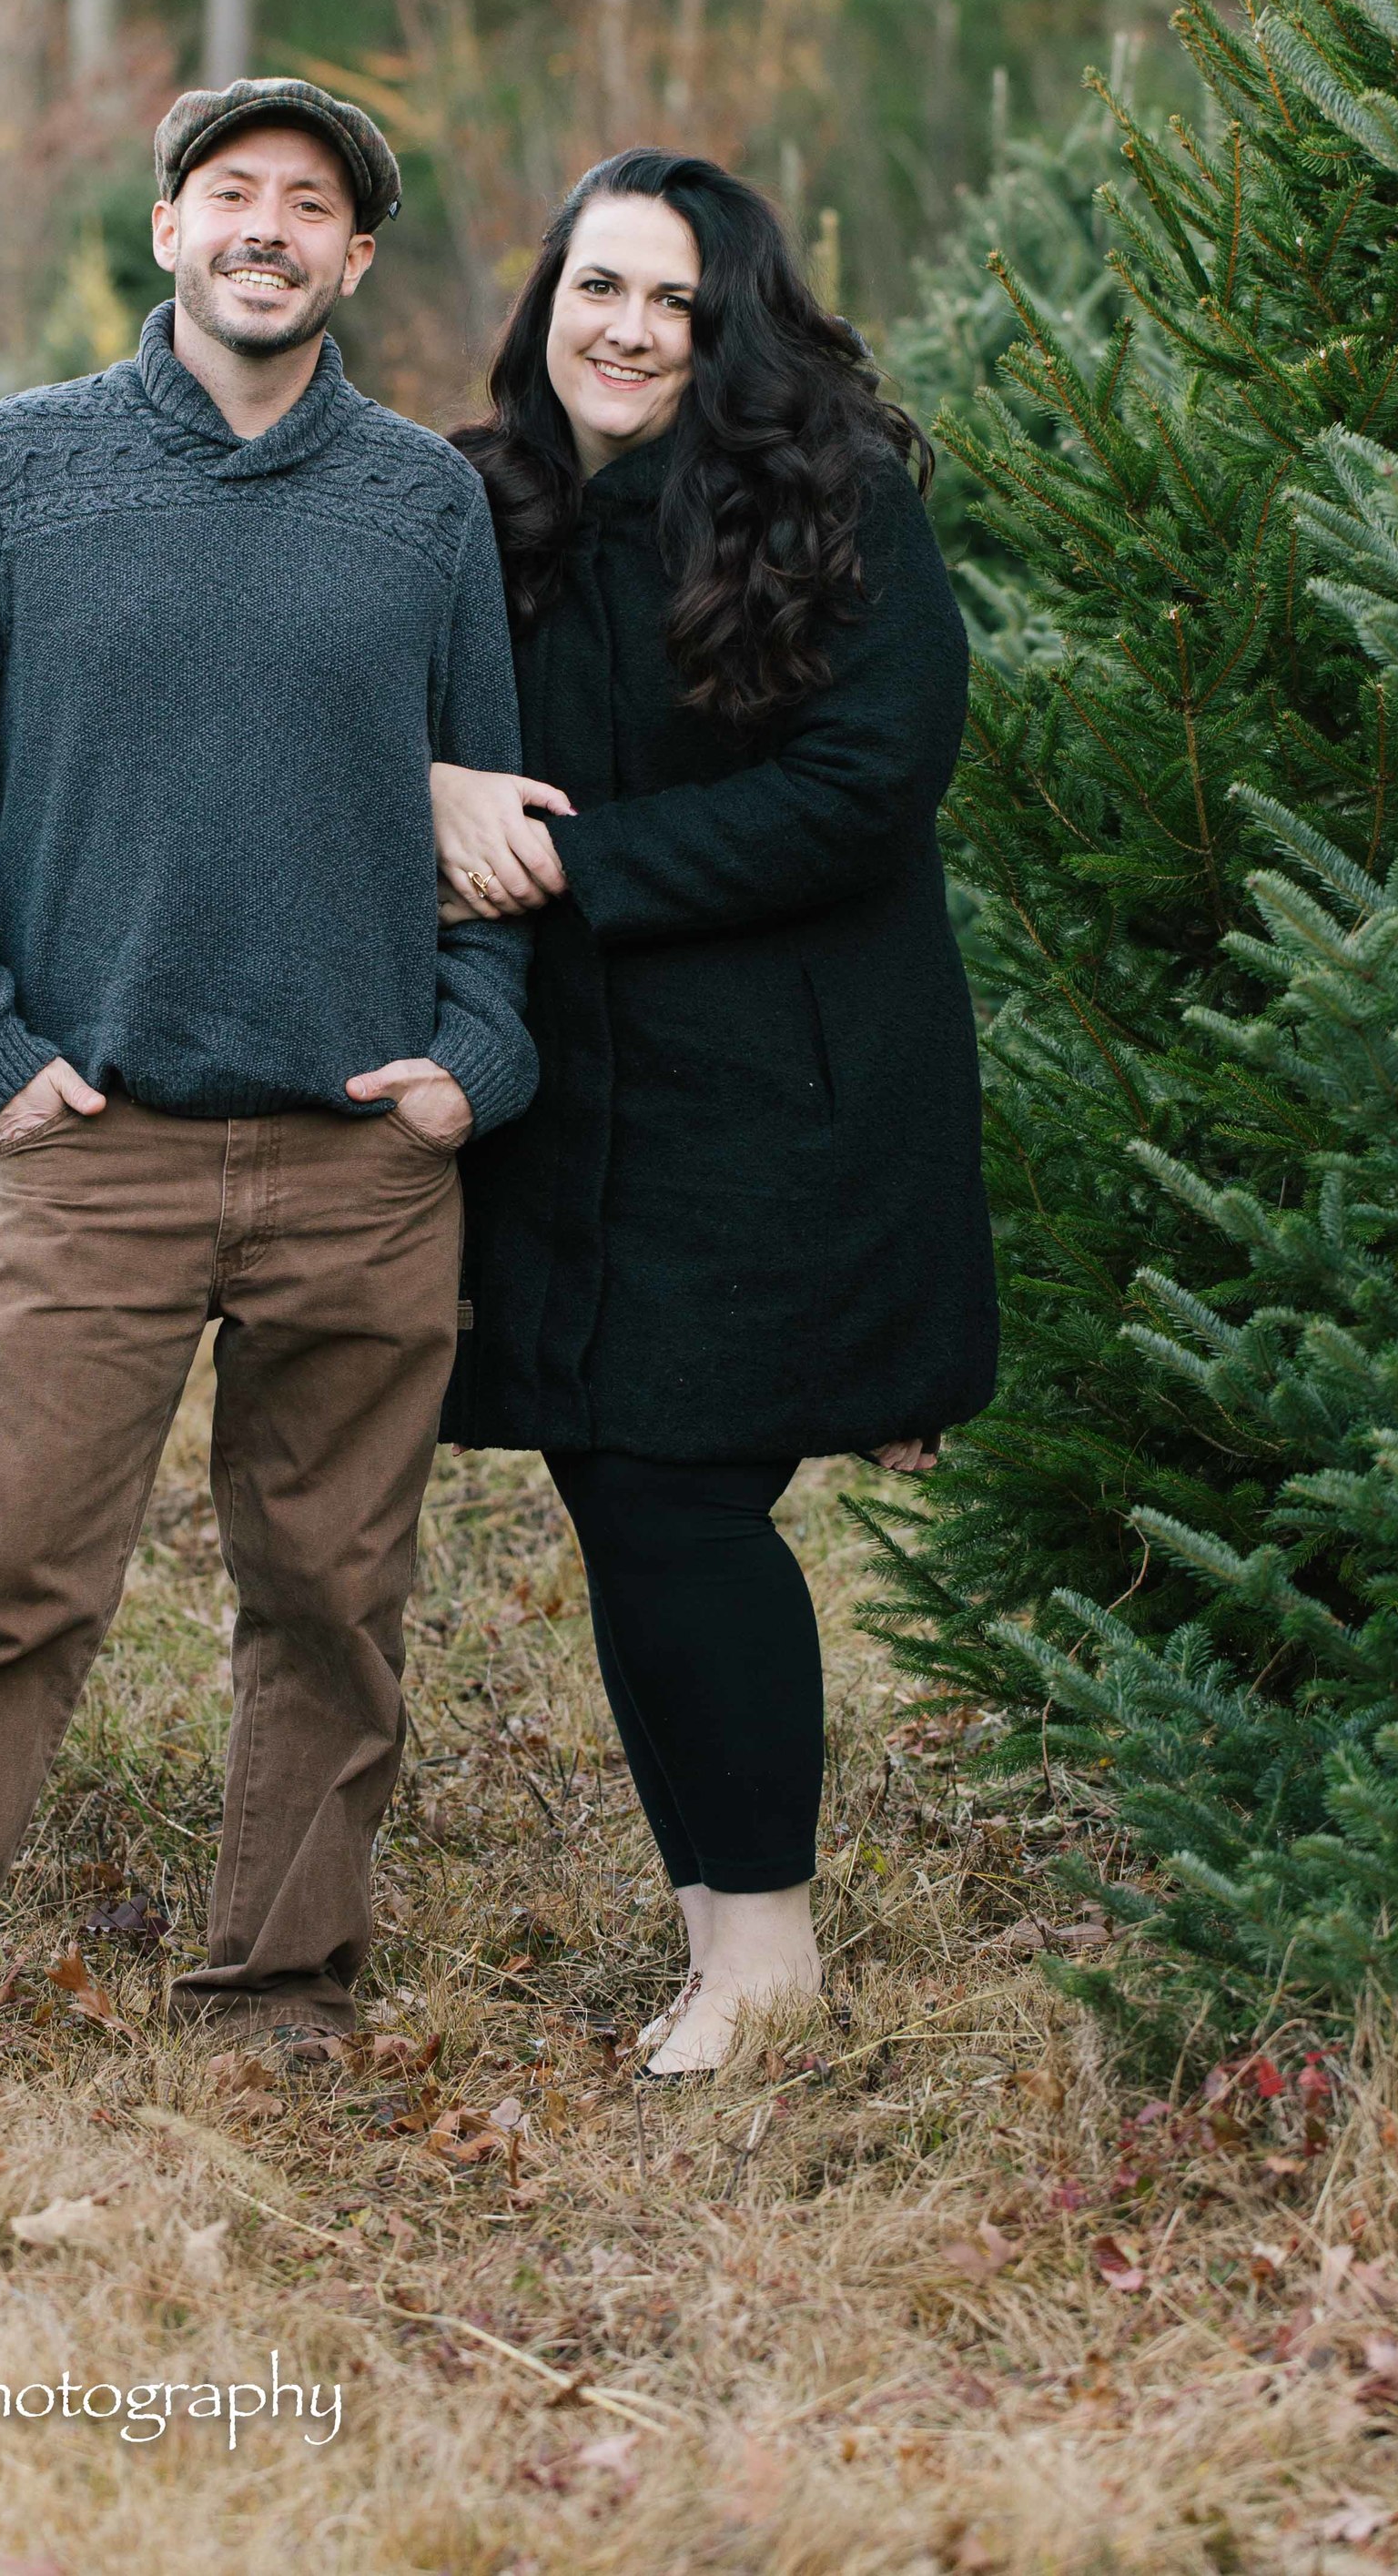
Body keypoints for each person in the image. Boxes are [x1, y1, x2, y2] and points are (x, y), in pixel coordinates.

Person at [0, 76, 540, 2114]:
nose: (268, 230)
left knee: (331, 1602)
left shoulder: (421, 506)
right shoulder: (12, 474)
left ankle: (281, 1995)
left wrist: (469, 1069)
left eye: (311, 207)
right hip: (93, 1151)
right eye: (235, 193)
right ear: (166, 229)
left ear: (356, 261)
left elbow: (488, 811)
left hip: (359, 1162)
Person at [433, 147, 998, 2076]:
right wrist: (433, 804)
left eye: (675, 303)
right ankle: (723, 1938)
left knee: (676, 1491)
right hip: (565, 1102)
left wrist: (578, 863)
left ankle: (762, 1961)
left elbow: (866, 782)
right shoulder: (477, 506)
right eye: (599, 288)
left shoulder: (823, 506)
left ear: (731, 326)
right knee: (625, 1490)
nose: (628, 331)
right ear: (545, 303)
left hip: (782, 1091)